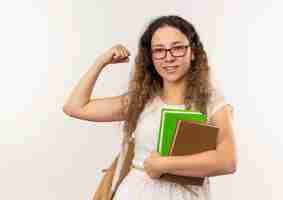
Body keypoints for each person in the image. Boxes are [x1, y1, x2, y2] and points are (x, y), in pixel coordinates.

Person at [63, 15, 237, 200]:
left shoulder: (212, 103)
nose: (168, 58)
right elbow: (75, 107)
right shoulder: (141, 101)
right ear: (151, 57)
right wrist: (101, 62)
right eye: (159, 51)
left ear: (193, 51)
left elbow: (228, 161)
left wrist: (163, 165)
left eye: (177, 48)